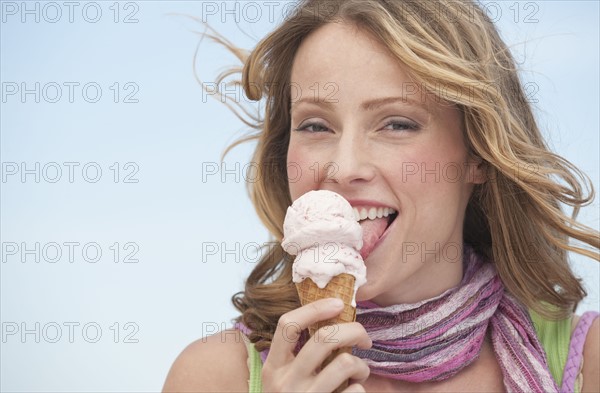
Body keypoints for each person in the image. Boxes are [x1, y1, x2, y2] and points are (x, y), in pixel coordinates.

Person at [163, 1, 599, 392]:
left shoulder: (588, 365)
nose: (344, 167)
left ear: (478, 155)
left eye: (397, 124)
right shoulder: (214, 377)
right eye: (315, 125)